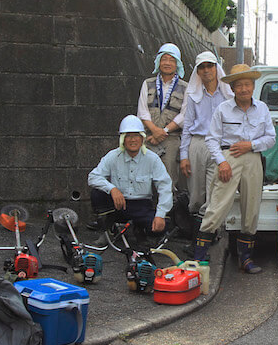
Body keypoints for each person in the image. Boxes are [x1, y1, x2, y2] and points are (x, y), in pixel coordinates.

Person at [193, 64, 276, 273]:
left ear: (253, 86)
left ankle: (245, 259)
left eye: (248, 84)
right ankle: (199, 259)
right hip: (228, 157)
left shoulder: (263, 108)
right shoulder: (223, 109)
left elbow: (271, 138)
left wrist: (251, 145)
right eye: (239, 85)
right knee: (217, 205)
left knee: (251, 208)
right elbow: (212, 139)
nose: (244, 89)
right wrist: (222, 162)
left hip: (253, 158)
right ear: (232, 88)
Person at [88, 115, 172, 241]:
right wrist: (112, 189)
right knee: (97, 193)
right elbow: (93, 177)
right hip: (119, 204)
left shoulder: (152, 159)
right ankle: (108, 228)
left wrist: (160, 215)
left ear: (142, 138)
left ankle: (139, 228)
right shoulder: (113, 156)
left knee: (159, 229)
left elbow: (165, 186)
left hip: (141, 205)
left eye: (136, 136)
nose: (133, 140)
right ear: (122, 139)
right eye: (128, 136)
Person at [179, 51, 233, 230]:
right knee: (195, 194)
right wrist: (184, 155)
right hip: (197, 144)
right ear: (198, 71)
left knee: (214, 193)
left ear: (217, 68)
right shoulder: (194, 94)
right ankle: (195, 234)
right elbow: (187, 126)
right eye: (202, 67)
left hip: (219, 145)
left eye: (210, 65)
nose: (206, 70)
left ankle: (209, 236)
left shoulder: (227, 94)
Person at [137, 43, 188, 190]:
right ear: (158, 61)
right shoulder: (148, 83)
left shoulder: (186, 87)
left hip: (171, 138)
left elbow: (184, 115)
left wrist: (163, 132)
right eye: (164, 59)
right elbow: (142, 111)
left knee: (169, 178)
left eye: (172, 60)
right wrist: (154, 131)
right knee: (144, 177)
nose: (167, 63)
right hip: (148, 136)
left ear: (177, 64)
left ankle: (167, 211)